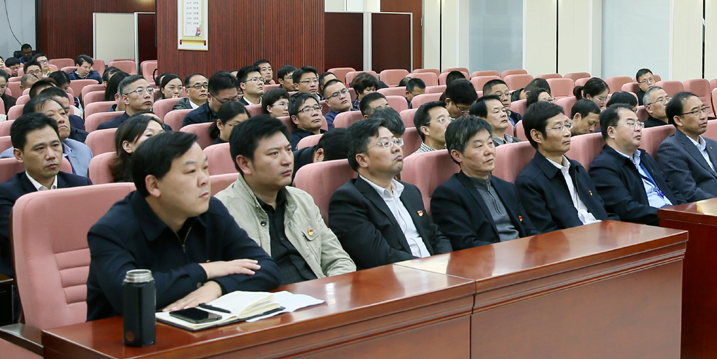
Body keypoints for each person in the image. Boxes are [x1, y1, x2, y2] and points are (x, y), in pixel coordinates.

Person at [86, 131, 280, 320]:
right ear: (153, 185)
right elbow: (130, 296)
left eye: (205, 168)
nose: (204, 180)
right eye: (191, 171)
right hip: (127, 336)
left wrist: (216, 287)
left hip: (200, 328)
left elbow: (267, 268)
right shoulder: (111, 231)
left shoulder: (211, 211)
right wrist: (205, 270)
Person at [214, 115, 355, 285]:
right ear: (244, 163)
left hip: (320, 293)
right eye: (274, 153)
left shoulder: (302, 199)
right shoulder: (221, 213)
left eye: (288, 150)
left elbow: (338, 259)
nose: (287, 160)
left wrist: (333, 290)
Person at [327, 118, 451, 269]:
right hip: (398, 277)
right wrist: (430, 267)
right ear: (362, 159)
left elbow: (435, 235)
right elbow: (379, 257)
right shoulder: (348, 200)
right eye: (385, 144)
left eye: (396, 141)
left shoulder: (409, 191)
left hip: (437, 271)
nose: (396, 148)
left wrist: (445, 262)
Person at [0, 114, 93, 276]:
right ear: (19, 155)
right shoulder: (4, 194)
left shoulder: (81, 185)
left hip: (78, 267)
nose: (51, 155)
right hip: (28, 272)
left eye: (55, 145)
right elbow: (24, 240)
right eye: (40, 148)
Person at [431, 116, 531, 249]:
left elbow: (529, 229)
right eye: (479, 146)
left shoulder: (507, 187)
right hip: (489, 258)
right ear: (457, 155)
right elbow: (466, 244)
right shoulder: (448, 195)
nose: (489, 151)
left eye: (490, 143)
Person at [516, 100, 609, 233]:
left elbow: (602, 210)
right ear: (537, 136)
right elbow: (546, 233)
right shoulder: (529, 181)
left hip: (603, 234)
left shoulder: (576, 168)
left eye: (567, 125)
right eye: (558, 127)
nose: (567, 133)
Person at [589, 105, 677, 225]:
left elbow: (672, 189)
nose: (638, 129)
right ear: (611, 132)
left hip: (673, 218)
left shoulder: (644, 157)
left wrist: (685, 212)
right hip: (649, 226)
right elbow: (626, 209)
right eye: (631, 124)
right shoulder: (603, 167)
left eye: (639, 124)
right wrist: (671, 216)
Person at [657, 91, 717, 202]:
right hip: (705, 209)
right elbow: (689, 193)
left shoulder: (716, 146)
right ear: (678, 120)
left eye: (703, 109)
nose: (703, 116)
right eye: (695, 112)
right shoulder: (671, 149)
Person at [0, 93, 94, 177]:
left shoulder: (82, 149)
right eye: (50, 115)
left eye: (63, 113)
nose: (61, 119)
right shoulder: (11, 157)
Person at [110, 114, 165, 183]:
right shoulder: (124, 187)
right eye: (149, 135)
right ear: (127, 146)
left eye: (162, 135)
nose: (160, 140)